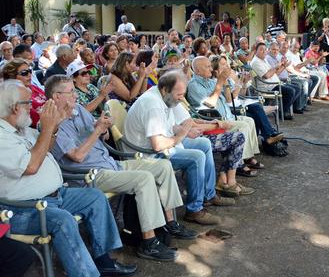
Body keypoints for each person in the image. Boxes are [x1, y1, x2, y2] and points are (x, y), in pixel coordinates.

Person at [46, 75, 196, 262]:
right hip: (90, 175)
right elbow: (77, 156)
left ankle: (170, 223)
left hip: (110, 163)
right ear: (56, 96)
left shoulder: (78, 110)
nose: (76, 95)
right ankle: (149, 243)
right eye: (71, 92)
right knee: (144, 179)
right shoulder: (50, 124)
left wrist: (104, 127)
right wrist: (97, 131)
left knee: (162, 166)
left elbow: (104, 137)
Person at [0, 80, 137, 277]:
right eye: (28, 103)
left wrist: (55, 127)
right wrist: (47, 129)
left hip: (55, 196)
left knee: (95, 197)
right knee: (63, 221)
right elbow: (31, 166)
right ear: (14, 108)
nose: (33, 106)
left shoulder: (23, 129)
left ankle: (104, 261)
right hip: (23, 209)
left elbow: (44, 147)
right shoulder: (2, 137)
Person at [124, 71, 242, 225]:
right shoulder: (152, 104)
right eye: (179, 95)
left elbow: (169, 126)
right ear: (165, 89)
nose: (181, 98)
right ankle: (194, 210)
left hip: (162, 145)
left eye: (183, 94)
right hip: (146, 155)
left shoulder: (164, 97)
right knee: (196, 157)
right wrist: (181, 135)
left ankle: (209, 195)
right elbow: (158, 144)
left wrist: (182, 130)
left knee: (204, 144)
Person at [188, 56, 267, 175]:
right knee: (244, 125)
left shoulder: (211, 81)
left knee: (250, 120)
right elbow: (210, 105)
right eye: (207, 66)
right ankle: (238, 163)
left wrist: (226, 82)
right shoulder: (193, 85)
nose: (211, 69)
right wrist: (220, 82)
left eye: (211, 66)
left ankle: (247, 157)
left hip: (228, 116)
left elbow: (230, 99)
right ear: (197, 71)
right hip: (214, 121)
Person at [251, 42, 299, 120]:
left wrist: (283, 66)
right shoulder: (256, 62)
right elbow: (266, 76)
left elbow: (275, 73)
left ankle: (282, 110)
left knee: (297, 88)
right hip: (268, 87)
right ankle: (282, 113)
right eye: (261, 50)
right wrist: (276, 66)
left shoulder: (263, 60)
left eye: (264, 50)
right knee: (291, 91)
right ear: (256, 51)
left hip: (275, 84)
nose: (264, 51)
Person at [2, 59, 46, 127]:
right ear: (12, 76)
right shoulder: (15, 96)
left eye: (30, 71)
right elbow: (35, 118)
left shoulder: (32, 87)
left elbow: (50, 100)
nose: (29, 75)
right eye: (24, 73)